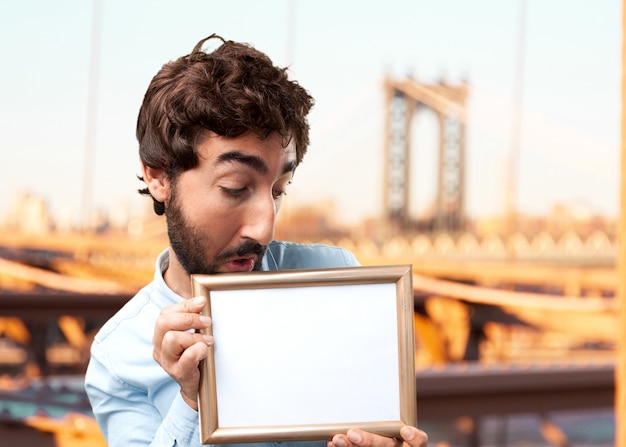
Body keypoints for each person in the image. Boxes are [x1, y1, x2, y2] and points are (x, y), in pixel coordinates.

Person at [84, 34, 428, 447]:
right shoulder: (118, 357)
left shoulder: (337, 280)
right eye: (235, 187)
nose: (265, 229)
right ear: (159, 177)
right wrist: (193, 402)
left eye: (279, 190)